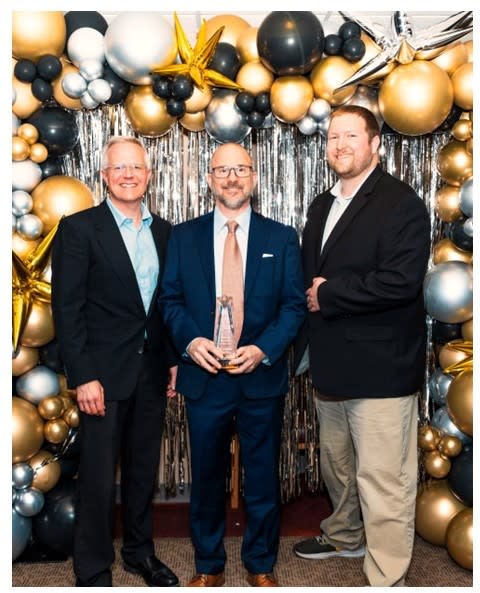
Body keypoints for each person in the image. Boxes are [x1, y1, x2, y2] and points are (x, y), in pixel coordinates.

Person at [293, 106, 431, 587]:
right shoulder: (320, 204)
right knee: (340, 467)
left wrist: (329, 294)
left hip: (381, 368)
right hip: (330, 365)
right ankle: (346, 534)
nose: (340, 144)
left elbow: (401, 282)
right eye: (332, 137)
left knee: (383, 479)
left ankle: (387, 575)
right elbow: (306, 278)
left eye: (351, 135)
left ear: (375, 143)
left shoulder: (401, 203)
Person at [160, 143, 305, 587]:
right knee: (206, 478)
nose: (231, 178)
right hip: (205, 378)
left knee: (262, 477)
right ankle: (208, 565)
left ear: (254, 178)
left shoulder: (281, 238)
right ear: (209, 180)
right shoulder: (184, 237)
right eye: (221, 170)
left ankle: (260, 564)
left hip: (260, 377)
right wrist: (190, 341)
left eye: (240, 169)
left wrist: (263, 350)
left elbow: (294, 306)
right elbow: (171, 300)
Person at [51, 136, 179, 587]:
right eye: (118, 168)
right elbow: (67, 310)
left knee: (144, 471)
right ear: (103, 175)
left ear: (148, 176)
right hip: (100, 378)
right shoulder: (80, 228)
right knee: (100, 479)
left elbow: (165, 305)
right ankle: (92, 566)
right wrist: (82, 376)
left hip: (151, 372)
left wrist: (173, 360)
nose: (128, 174)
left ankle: (140, 554)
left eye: (136, 168)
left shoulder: (165, 232)